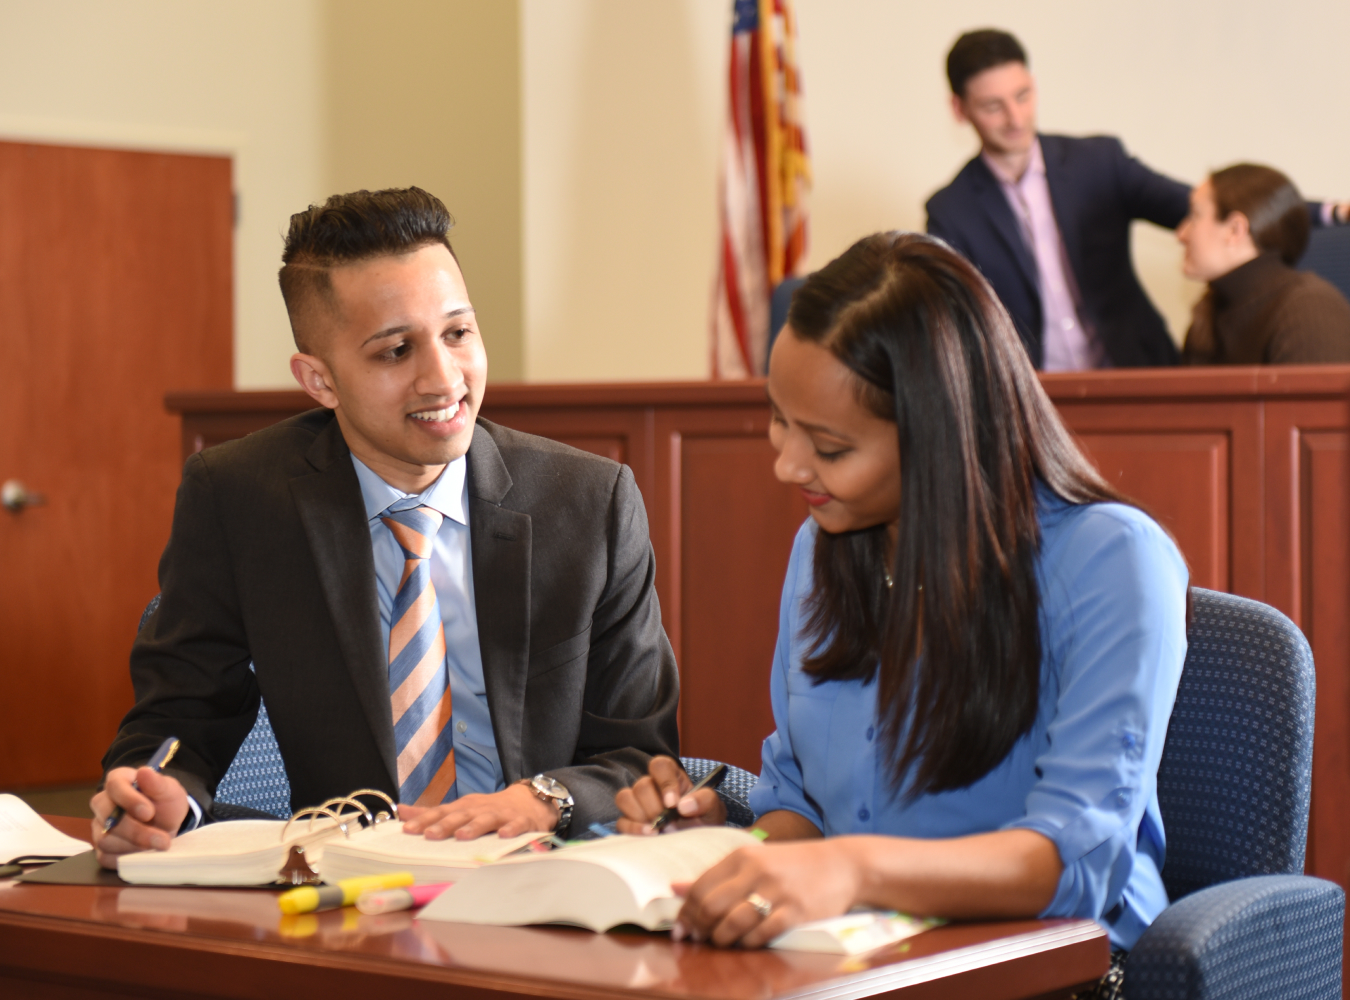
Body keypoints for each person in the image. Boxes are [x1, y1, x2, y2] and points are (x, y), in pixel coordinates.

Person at [616, 233, 1188, 997]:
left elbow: (1073, 866)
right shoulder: (825, 550)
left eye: (828, 445)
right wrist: (725, 852)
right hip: (858, 965)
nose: (787, 464)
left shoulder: (1112, 559)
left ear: (941, 439)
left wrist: (848, 868)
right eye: (779, 419)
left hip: (1053, 975)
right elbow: (802, 809)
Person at [93, 187, 679, 867]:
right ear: (319, 380)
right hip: (352, 894)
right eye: (397, 351)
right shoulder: (240, 498)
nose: (444, 377)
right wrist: (153, 791)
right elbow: (180, 715)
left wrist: (544, 798)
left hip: (543, 874)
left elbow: (641, 750)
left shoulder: (587, 503)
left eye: (458, 333)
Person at [925, 29, 1348, 371]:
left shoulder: (1098, 163)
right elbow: (958, 325)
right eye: (993, 106)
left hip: (1136, 372)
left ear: (1034, 86)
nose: (1015, 119)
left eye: (1022, 96)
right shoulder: (950, 211)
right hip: (1036, 399)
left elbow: (1205, 206)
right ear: (960, 109)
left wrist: (1332, 212)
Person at [1179, 164, 1350, 364]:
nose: (1181, 234)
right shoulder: (1210, 314)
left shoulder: (1309, 310)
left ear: (1235, 230)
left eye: (1195, 215)